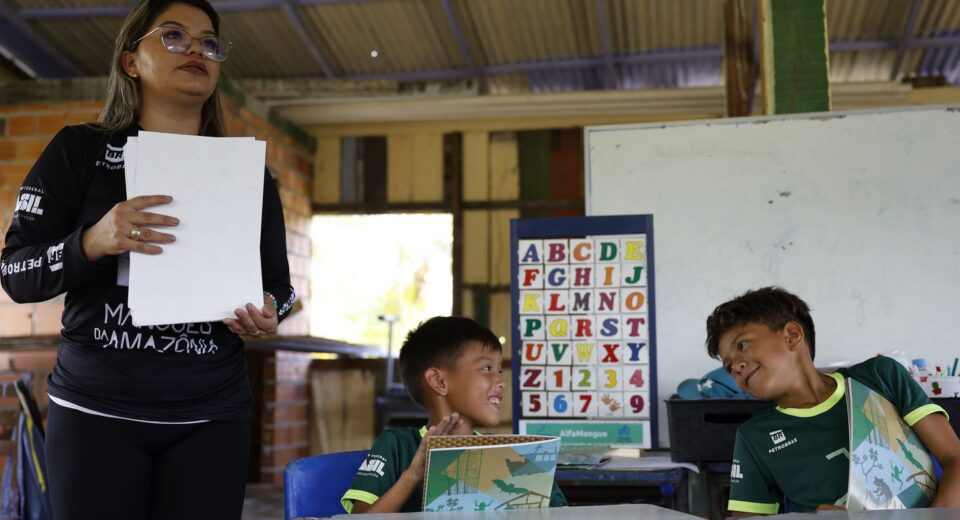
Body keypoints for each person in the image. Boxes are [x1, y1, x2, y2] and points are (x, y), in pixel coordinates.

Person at [0, 1, 295, 518]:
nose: (196, 50)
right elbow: (15, 271)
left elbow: (281, 288)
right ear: (131, 61)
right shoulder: (79, 151)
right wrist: (94, 239)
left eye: (209, 42)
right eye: (175, 36)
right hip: (94, 412)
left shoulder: (249, 174)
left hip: (212, 415)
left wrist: (269, 309)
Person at [706, 287, 960, 515]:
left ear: (793, 335)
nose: (736, 367)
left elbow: (954, 457)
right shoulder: (754, 438)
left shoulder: (881, 377)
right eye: (728, 366)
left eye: (743, 345)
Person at [341, 316, 567, 513]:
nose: (500, 381)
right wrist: (412, 477)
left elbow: (560, 514)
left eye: (499, 370)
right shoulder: (398, 446)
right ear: (439, 381)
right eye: (487, 369)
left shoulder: (515, 454)